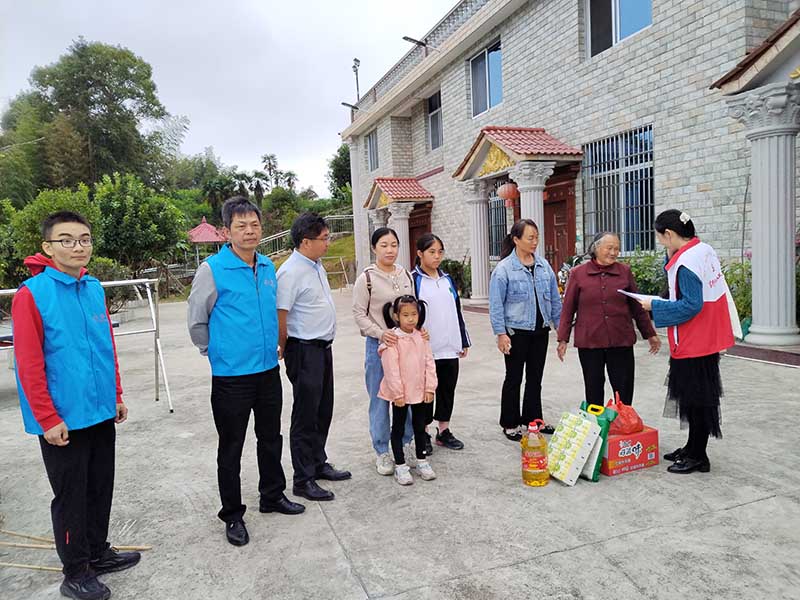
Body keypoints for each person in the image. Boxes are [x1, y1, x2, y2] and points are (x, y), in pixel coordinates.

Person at [12, 211, 140, 600]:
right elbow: (28, 364)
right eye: (66, 240)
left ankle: (98, 552)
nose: (78, 246)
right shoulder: (31, 295)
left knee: (101, 487)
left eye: (84, 238)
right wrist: (47, 418)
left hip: (100, 409)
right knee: (71, 496)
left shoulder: (94, 288)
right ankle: (76, 571)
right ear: (48, 247)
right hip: (63, 418)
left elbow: (106, 348)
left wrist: (115, 394)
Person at [188, 196, 304, 548]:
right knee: (231, 447)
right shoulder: (213, 269)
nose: (249, 231)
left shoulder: (268, 266)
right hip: (231, 377)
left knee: (271, 437)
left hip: (268, 370)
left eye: (254, 224)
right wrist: (215, 352)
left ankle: (272, 495)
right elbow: (197, 320)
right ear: (227, 231)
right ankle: (233, 514)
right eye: (241, 226)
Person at [638, 210, 737, 474]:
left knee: (697, 399)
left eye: (660, 237)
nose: (660, 243)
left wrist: (654, 305)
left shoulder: (687, 263)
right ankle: (692, 447)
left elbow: (690, 305)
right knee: (695, 397)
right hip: (707, 334)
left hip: (695, 339)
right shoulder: (701, 249)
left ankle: (698, 456)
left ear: (669, 234)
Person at [277, 213, 351, 503]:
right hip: (304, 350)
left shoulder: (315, 265)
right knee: (305, 416)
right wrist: (284, 348)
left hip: (323, 348)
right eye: (324, 238)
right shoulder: (290, 272)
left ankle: (318, 462)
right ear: (305, 241)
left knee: (323, 409)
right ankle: (303, 478)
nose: (328, 243)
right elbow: (281, 315)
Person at [556, 232, 661, 407]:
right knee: (593, 389)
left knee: (624, 391)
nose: (614, 252)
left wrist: (650, 334)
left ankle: (623, 427)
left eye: (617, 249)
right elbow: (568, 308)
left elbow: (637, 306)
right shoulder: (578, 273)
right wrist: (563, 339)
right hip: (590, 341)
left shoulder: (624, 272)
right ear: (596, 248)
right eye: (609, 248)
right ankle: (599, 429)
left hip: (621, 340)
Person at [489, 219, 562, 441]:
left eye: (536, 237)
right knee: (513, 378)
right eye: (530, 238)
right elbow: (496, 305)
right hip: (515, 333)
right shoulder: (504, 269)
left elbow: (555, 300)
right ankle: (510, 422)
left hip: (540, 331)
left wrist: (561, 330)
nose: (534, 242)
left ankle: (532, 420)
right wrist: (501, 334)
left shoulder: (543, 266)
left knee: (535, 377)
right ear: (516, 240)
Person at [352, 227, 417, 475]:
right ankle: (382, 452)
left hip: (406, 346)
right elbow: (358, 313)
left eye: (393, 245)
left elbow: (413, 309)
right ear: (374, 248)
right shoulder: (367, 278)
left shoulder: (406, 275)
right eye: (384, 245)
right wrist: (380, 333)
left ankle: (406, 443)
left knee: (408, 397)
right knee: (380, 401)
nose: (390, 250)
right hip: (378, 347)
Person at [412, 233, 471, 452]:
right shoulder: (415, 280)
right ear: (419, 254)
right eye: (431, 252)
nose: (437, 257)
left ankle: (444, 430)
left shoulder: (446, 279)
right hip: (427, 348)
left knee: (448, 389)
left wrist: (463, 339)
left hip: (450, 345)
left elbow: (457, 311)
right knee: (426, 391)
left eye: (440, 252)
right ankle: (424, 432)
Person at [378, 295, 438, 485]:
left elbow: (429, 362)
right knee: (398, 428)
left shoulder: (421, 336)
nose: (411, 319)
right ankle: (401, 466)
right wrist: (397, 394)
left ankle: (422, 461)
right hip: (401, 395)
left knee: (420, 427)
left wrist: (430, 387)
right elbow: (391, 370)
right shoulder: (393, 339)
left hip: (420, 391)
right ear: (396, 316)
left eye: (414, 314)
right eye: (405, 315)